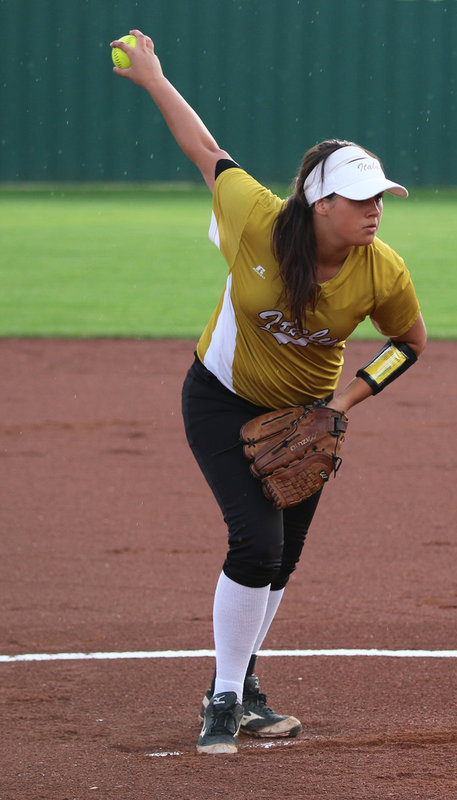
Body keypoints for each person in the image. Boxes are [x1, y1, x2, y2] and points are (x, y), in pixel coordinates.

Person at [111, 30, 427, 755]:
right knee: (255, 541)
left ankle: (243, 686)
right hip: (220, 399)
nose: (375, 210)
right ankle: (223, 699)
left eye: (381, 197)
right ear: (319, 202)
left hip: (304, 419)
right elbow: (206, 149)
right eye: (360, 199)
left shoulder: (381, 268)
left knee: (281, 557)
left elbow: (409, 345)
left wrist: (342, 405)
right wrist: (153, 77)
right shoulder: (256, 218)